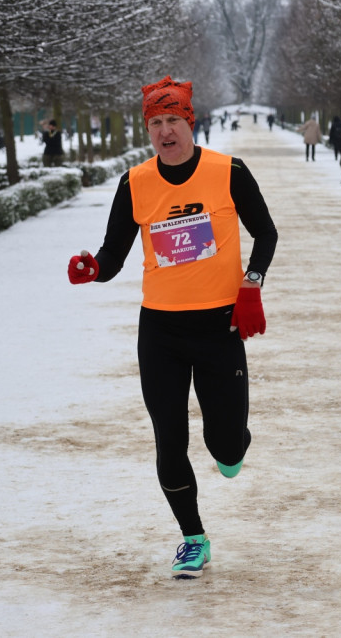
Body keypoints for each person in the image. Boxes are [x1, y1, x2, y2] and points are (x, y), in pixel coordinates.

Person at [66, 75, 278, 580]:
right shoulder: (135, 183)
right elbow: (113, 255)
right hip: (160, 331)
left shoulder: (229, 172)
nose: (165, 131)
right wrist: (93, 268)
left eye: (173, 120)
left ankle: (232, 446)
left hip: (219, 328)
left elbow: (265, 233)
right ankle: (193, 538)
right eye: (156, 122)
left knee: (224, 448)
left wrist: (251, 284)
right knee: (169, 438)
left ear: (191, 121)